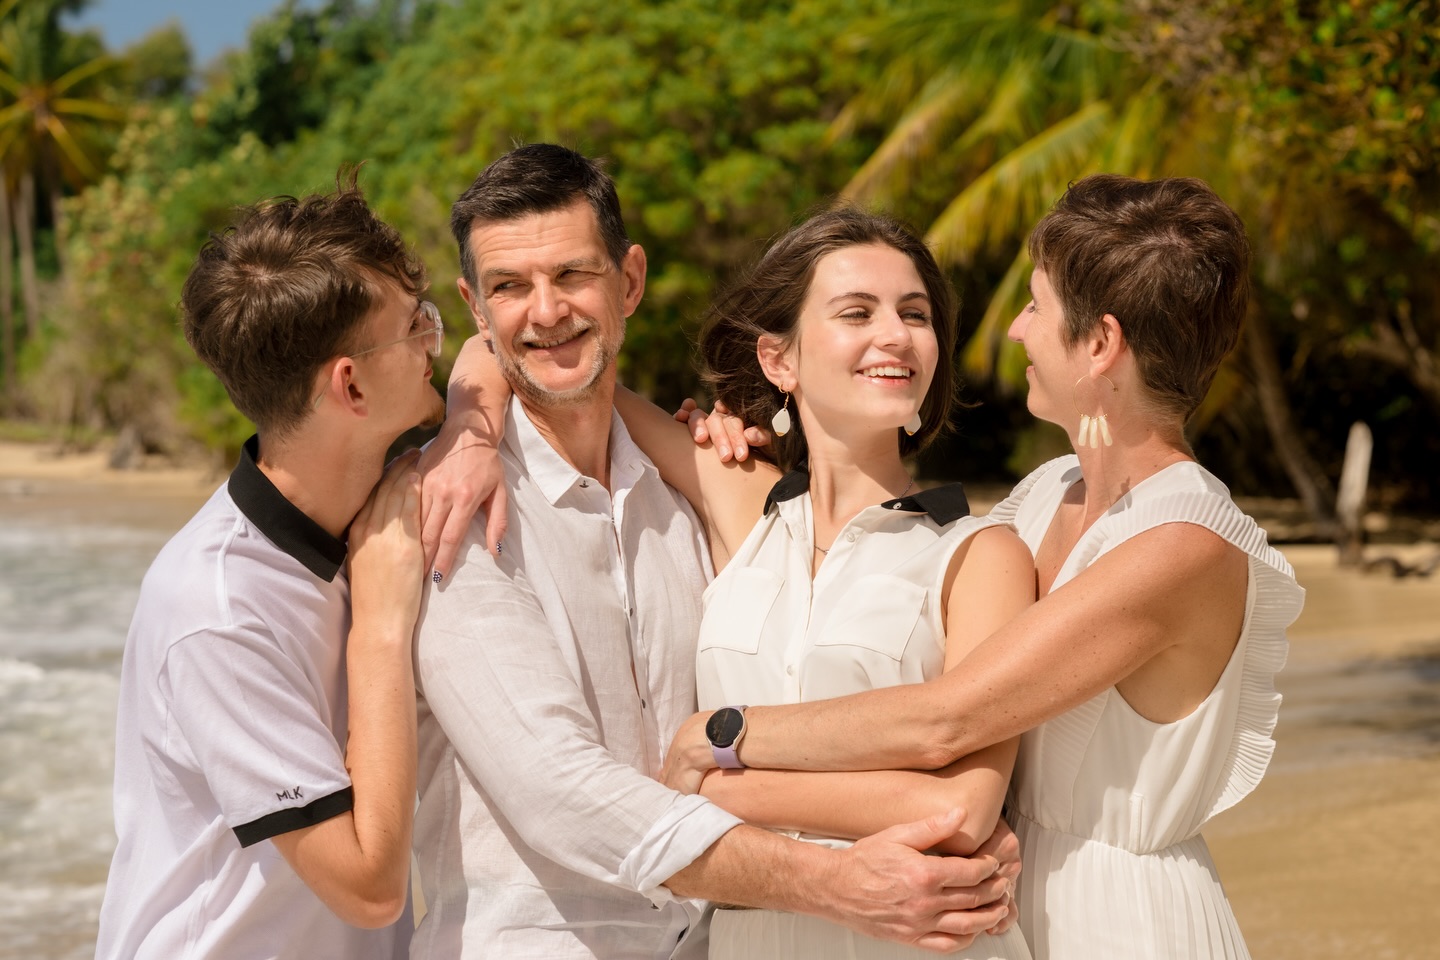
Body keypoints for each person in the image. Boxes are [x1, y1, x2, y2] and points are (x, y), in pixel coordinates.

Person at [667, 174, 1307, 959]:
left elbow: (947, 717)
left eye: (1036, 306)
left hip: (1121, 923)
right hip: (1002, 909)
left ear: (1101, 343)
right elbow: (900, 579)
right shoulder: (1046, 495)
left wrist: (718, 744)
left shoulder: (1184, 543)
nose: (1014, 330)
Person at [410, 143, 1019, 959]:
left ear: (629, 281)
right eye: (509, 287)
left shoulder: (700, 491)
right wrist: (469, 414)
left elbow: (964, 803)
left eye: (915, 314)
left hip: (827, 930)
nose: (546, 308)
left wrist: (710, 753)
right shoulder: (468, 501)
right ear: (780, 359)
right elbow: (554, 790)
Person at [95, 176, 441, 959]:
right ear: (349, 384)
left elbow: (495, 359)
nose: (436, 342)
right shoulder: (217, 608)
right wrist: (381, 632)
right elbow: (368, 887)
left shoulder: (368, 503)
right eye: (417, 326)